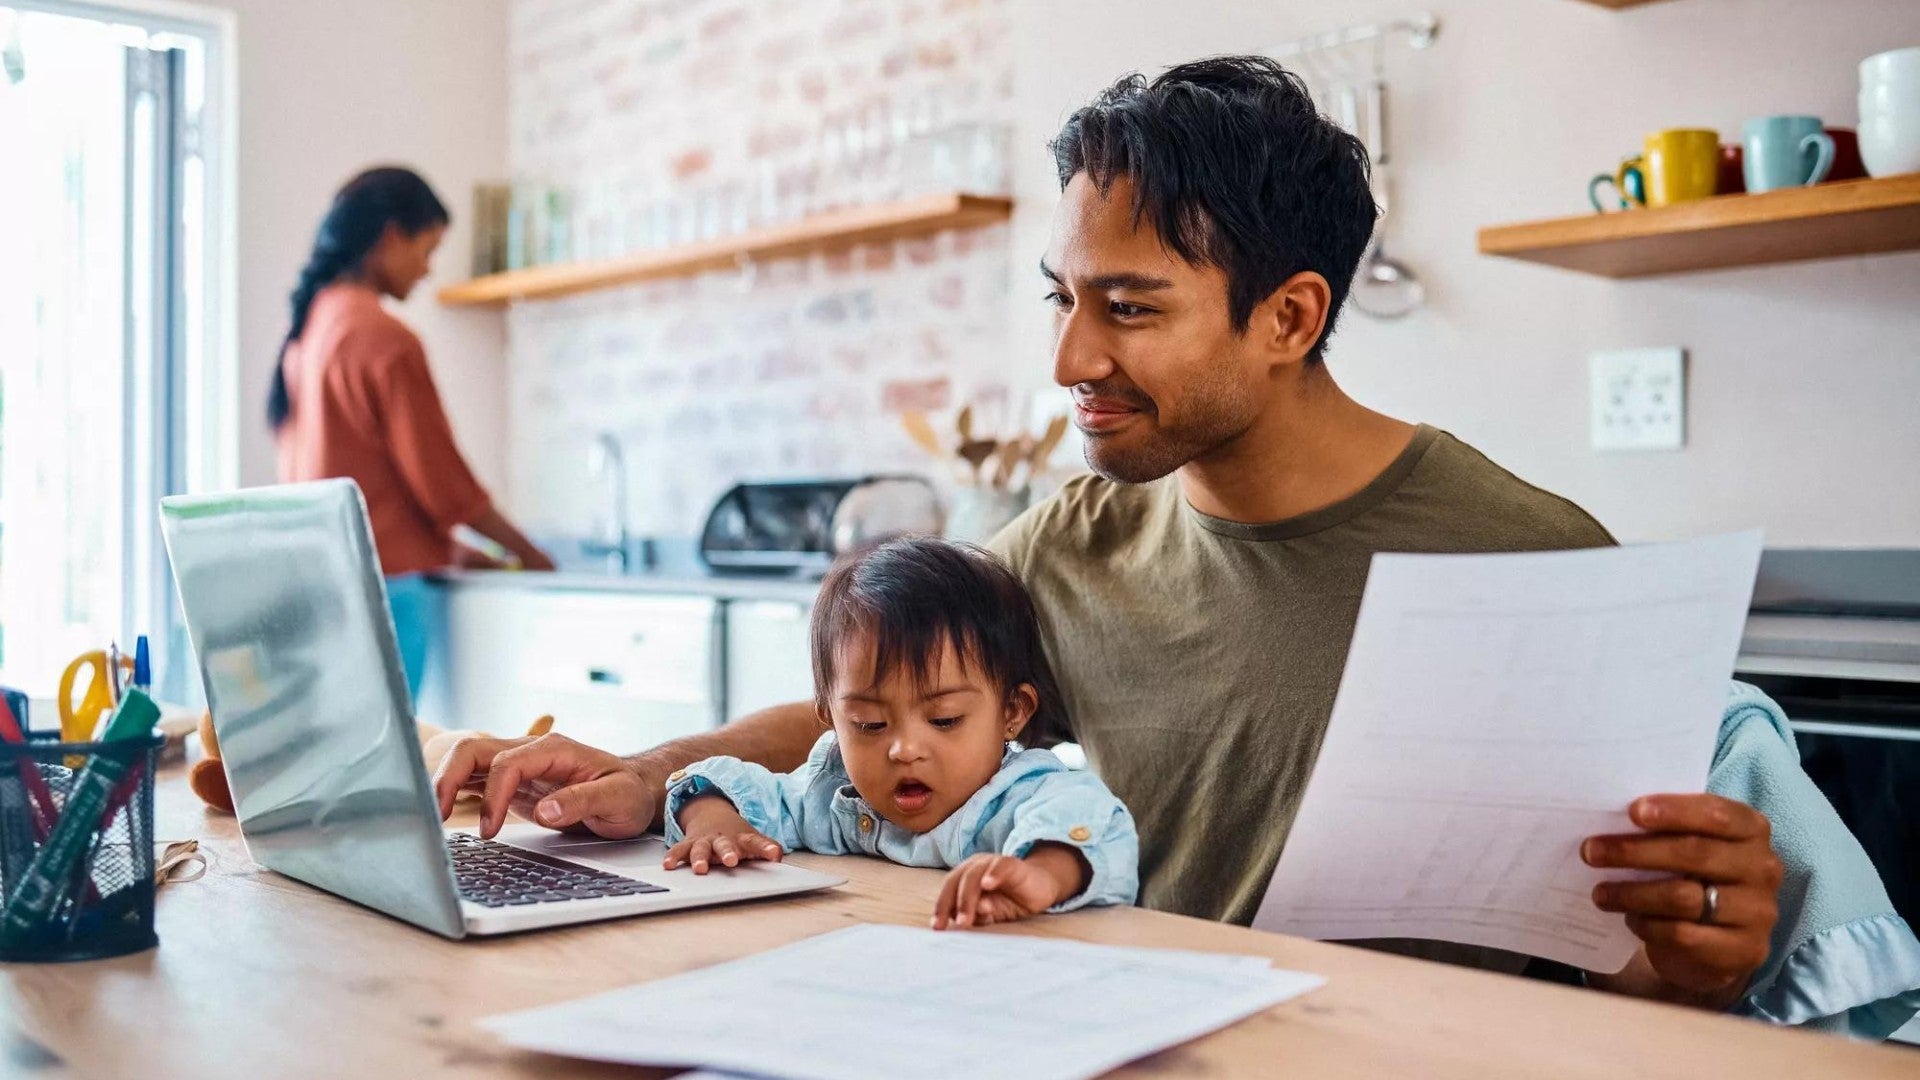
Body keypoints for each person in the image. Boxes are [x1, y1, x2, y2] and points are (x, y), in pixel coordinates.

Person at [430, 59, 1917, 1030]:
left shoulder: (1534, 561)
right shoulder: (1075, 537)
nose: (1072, 352)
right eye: (1060, 298)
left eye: (1129, 307)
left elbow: (1654, 976)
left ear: (1290, 317)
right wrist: (643, 771)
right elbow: (875, 699)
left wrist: (1703, 959)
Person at [659, 537, 1137, 929]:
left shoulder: (1022, 795)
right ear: (831, 718)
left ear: (1012, 712)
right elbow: (728, 785)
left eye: (945, 719)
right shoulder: (836, 796)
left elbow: (1091, 821)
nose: (904, 750)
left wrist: (1039, 875)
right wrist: (713, 821)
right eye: (869, 724)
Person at [272, 167, 553, 695]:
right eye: (427, 249)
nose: (427, 270)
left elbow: (354, 475)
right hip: (387, 591)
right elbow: (445, 487)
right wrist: (535, 558)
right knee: (401, 760)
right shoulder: (383, 337)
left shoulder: (308, 332)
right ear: (390, 236)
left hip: (322, 584)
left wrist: (443, 546)